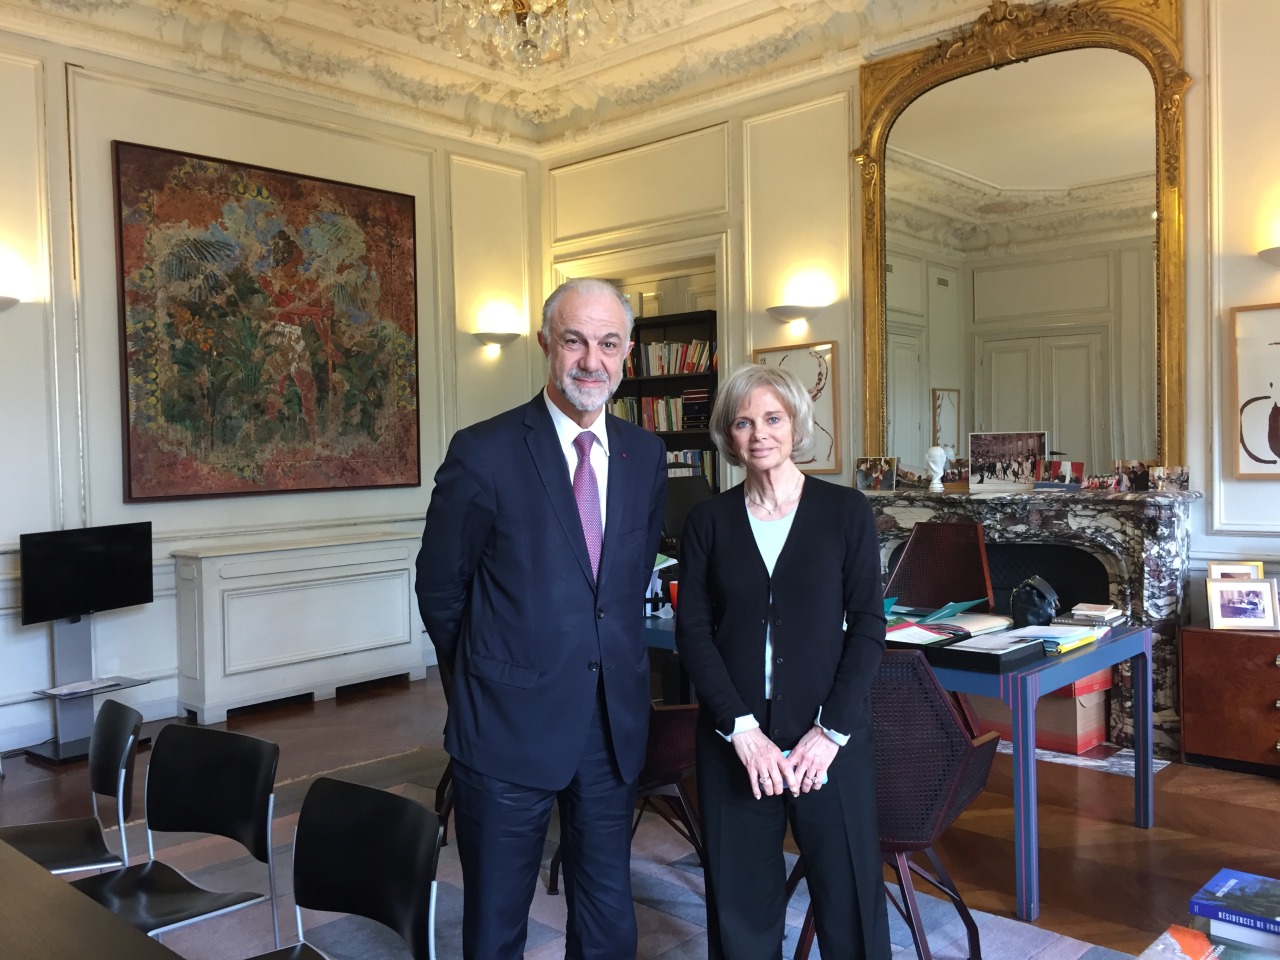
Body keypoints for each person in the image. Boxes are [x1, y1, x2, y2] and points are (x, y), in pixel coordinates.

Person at [416, 277, 667, 960]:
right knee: (497, 921)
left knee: (608, 908)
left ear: (628, 353)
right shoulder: (484, 451)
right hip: (504, 725)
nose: (592, 360)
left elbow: (623, 581)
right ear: (545, 345)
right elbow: (441, 588)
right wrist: (479, 682)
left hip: (610, 724)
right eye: (575, 340)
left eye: (609, 343)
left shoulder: (646, 457)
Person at [675, 363, 891, 960]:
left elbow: (869, 628)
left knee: (849, 903)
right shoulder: (708, 521)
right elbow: (693, 634)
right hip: (735, 741)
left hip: (829, 740)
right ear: (728, 435)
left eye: (772, 418)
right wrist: (742, 732)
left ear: (795, 424)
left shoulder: (845, 512)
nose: (759, 433)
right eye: (743, 422)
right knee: (741, 910)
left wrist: (831, 732)